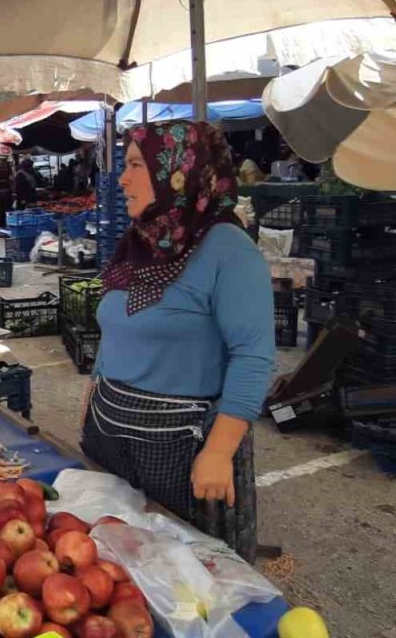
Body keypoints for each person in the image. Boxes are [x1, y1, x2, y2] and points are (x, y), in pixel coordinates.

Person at [80, 121, 273, 561]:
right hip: (110, 432)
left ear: (177, 172)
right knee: (116, 571)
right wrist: (93, 389)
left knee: (184, 577)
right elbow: (116, 325)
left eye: (134, 165)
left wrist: (220, 450)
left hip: (184, 449)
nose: (121, 179)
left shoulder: (229, 250)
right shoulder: (140, 242)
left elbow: (254, 357)